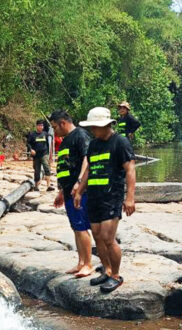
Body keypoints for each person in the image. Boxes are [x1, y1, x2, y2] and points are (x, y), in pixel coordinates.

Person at [73, 107, 137, 294]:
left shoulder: (120, 142)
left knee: (108, 238)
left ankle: (116, 276)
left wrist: (130, 198)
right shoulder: (93, 144)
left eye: (95, 126)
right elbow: (89, 169)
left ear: (106, 125)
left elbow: (130, 170)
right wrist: (79, 191)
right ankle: (107, 270)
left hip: (112, 196)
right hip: (94, 196)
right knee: (97, 236)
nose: (92, 130)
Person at [49, 109, 93, 278]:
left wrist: (79, 183)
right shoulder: (65, 141)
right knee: (75, 227)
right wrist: (61, 191)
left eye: (55, 127)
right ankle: (81, 262)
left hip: (79, 191)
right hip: (68, 190)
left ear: (63, 123)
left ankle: (88, 264)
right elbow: (65, 167)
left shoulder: (80, 135)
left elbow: (87, 159)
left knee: (81, 226)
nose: (54, 131)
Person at [26, 120, 54, 191]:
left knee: (47, 168)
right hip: (36, 155)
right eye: (39, 125)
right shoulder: (32, 134)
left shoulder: (45, 134)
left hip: (44, 154)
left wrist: (50, 156)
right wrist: (31, 150)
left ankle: (48, 186)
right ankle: (36, 186)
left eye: (42, 126)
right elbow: (28, 143)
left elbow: (50, 143)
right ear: (36, 126)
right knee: (37, 171)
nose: (41, 127)